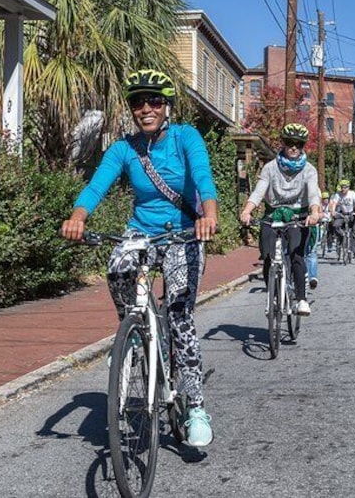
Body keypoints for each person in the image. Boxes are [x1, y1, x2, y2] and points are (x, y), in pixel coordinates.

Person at [60, 69, 217, 447]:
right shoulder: (124, 148)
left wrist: (209, 215)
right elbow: (98, 184)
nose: (145, 108)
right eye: (137, 103)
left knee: (179, 314)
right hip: (141, 232)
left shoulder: (185, 138)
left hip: (182, 232)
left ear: (167, 106)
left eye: (154, 101)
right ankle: (132, 334)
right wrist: (78, 217)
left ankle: (195, 406)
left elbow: (203, 176)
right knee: (117, 269)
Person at [239, 123, 321, 316]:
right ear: (283, 144)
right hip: (272, 213)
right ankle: (273, 296)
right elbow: (259, 192)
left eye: (298, 144)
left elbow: (313, 196)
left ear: (303, 147)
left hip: (298, 215)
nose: (293, 147)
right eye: (289, 143)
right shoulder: (270, 167)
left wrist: (315, 212)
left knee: (296, 255)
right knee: (268, 255)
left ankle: (301, 299)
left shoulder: (309, 170)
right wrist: (247, 211)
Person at [329, 179, 355, 258]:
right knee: (336, 225)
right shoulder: (338, 194)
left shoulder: (352, 194)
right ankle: (341, 238)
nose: (343, 189)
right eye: (342, 187)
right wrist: (333, 211)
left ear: (348, 187)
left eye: (345, 187)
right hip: (342, 214)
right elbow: (334, 203)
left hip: (352, 214)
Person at [305, 190, 329, 289]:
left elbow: (320, 213)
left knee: (312, 252)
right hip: (296, 226)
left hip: (312, 227)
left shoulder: (314, 189)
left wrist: (314, 217)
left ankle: (312, 277)